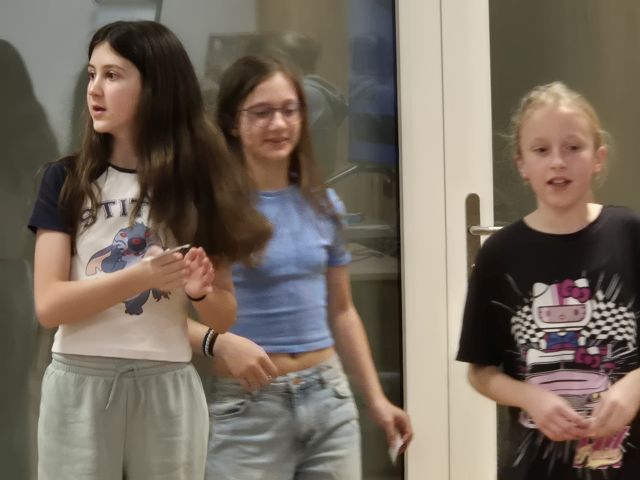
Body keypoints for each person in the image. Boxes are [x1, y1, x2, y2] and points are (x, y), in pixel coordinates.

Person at [28, 21, 271, 480]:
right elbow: (49, 305)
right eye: (92, 74)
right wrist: (142, 277)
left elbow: (223, 316)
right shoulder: (65, 180)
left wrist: (199, 292)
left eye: (112, 75)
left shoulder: (199, 184)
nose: (94, 89)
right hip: (79, 379)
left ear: (154, 87)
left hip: (167, 384)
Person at [187, 55, 413, 480]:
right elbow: (207, 314)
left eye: (289, 110)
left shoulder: (324, 205)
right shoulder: (215, 210)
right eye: (261, 112)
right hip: (248, 405)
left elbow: (342, 311)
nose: (278, 124)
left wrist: (377, 400)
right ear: (233, 123)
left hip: (328, 397)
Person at [457, 81, 640, 479]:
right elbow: (481, 370)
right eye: (541, 150)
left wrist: (634, 386)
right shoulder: (499, 255)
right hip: (534, 469)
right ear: (522, 164)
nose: (558, 162)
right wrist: (530, 398)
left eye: (573, 147)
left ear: (598, 157)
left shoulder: (630, 234)